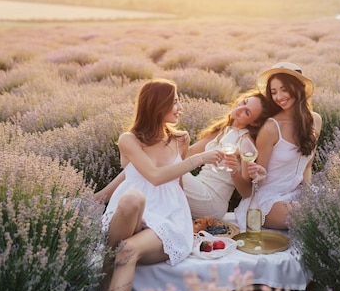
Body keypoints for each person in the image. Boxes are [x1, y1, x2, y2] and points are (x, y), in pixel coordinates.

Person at [97, 78, 222, 291]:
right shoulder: (129, 140)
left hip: (167, 216)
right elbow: (154, 176)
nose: (180, 108)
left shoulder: (180, 139)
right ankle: (106, 267)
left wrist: (190, 222)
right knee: (133, 198)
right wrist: (199, 159)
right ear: (157, 105)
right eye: (174, 102)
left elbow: (178, 183)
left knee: (127, 250)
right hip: (132, 213)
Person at [95, 90, 269, 219]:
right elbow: (189, 154)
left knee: (154, 165)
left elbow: (247, 192)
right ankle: (107, 204)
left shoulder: (245, 141)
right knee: (149, 163)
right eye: (243, 102)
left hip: (211, 201)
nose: (240, 109)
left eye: (247, 112)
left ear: (254, 122)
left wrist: (234, 171)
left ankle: (98, 200)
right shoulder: (223, 130)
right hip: (199, 187)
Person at [234, 62, 323, 231]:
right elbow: (257, 183)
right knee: (308, 215)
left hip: (296, 193)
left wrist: (309, 192)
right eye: (273, 92)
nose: (279, 97)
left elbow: (307, 165)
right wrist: (257, 172)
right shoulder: (271, 127)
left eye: (284, 89)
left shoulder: (315, 120)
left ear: (298, 88)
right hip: (268, 200)